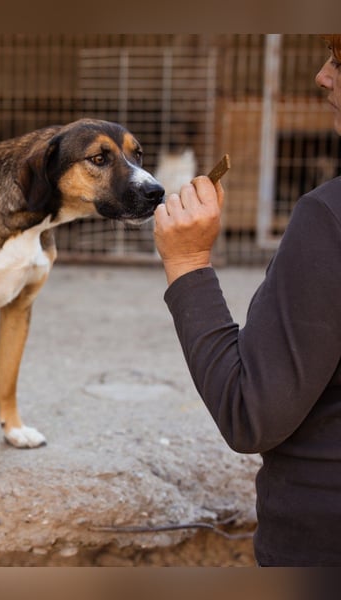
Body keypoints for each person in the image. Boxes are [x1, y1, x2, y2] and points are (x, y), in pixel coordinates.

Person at [153, 35, 341, 567]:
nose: (322, 76)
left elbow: (250, 413)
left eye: (339, 60)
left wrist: (186, 263)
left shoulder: (329, 219)